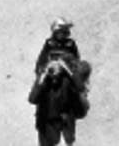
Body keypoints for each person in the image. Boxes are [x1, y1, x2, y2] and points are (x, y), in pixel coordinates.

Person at [30, 18, 90, 146]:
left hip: (67, 75)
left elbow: (76, 61)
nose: (62, 35)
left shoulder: (70, 44)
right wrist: (44, 72)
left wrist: (68, 68)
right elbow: (41, 62)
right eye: (60, 32)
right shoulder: (49, 43)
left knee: (77, 91)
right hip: (49, 80)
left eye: (64, 32)